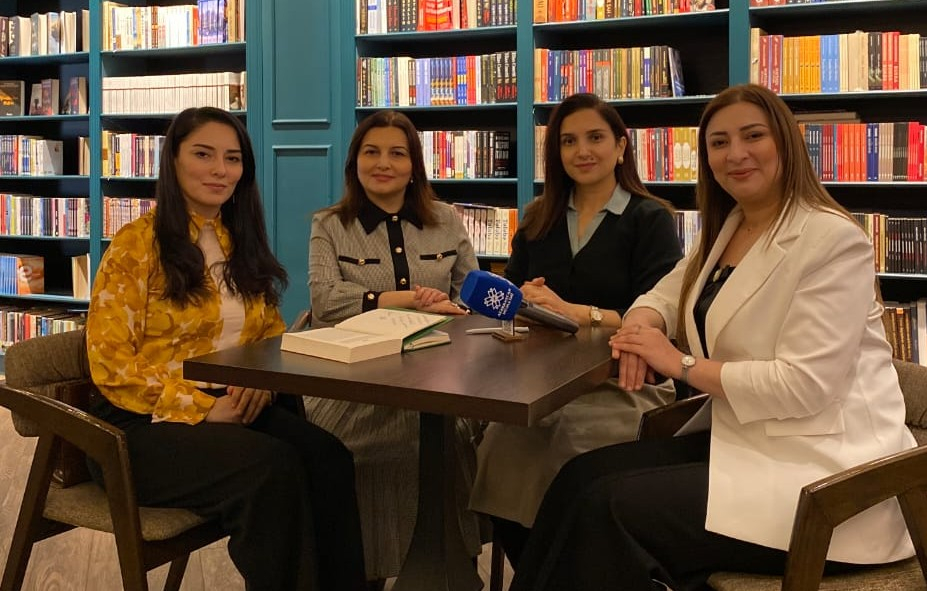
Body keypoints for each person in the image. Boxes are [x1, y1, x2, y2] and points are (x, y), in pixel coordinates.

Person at [509, 83, 917, 591]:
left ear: (786, 142)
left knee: (605, 508)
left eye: (753, 136)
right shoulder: (729, 228)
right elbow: (661, 296)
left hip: (827, 478)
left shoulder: (833, 240)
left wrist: (677, 362)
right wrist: (640, 328)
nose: (735, 154)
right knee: (577, 477)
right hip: (746, 441)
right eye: (719, 143)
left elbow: (804, 386)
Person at [86, 107, 366, 591]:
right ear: (173, 161)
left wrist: (260, 382)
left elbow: (269, 334)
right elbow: (111, 365)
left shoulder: (238, 242)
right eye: (203, 154)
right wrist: (201, 407)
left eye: (232, 159)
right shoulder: (136, 245)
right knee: (271, 470)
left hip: (233, 401)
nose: (220, 170)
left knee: (329, 457)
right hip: (139, 424)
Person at [469, 92, 684, 567]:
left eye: (595, 138)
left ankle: (571, 569)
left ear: (621, 147)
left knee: (570, 457)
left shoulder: (650, 219)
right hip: (542, 381)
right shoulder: (537, 216)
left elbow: (660, 313)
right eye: (568, 141)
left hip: (623, 381)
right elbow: (515, 290)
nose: (582, 151)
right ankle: (542, 572)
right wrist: (526, 299)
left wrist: (576, 311)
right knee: (498, 449)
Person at [306, 109, 482, 582]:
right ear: (354, 162)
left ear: (414, 166)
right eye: (371, 152)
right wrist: (400, 300)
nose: (383, 163)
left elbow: (472, 295)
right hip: (351, 383)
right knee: (363, 449)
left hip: (439, 378)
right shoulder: (329, 224)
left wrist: (457, 309)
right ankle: (361, 569)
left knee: (451, 443)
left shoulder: (446, 220)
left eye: (397, 153)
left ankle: (449, 569)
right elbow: (324, 301)